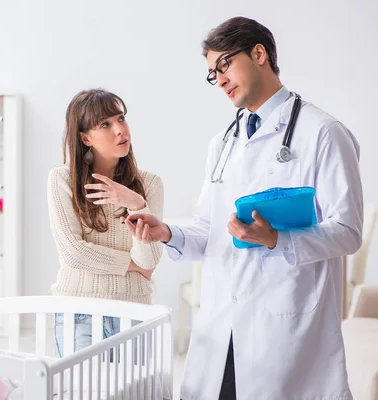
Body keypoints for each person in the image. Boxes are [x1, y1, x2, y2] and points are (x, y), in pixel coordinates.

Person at [123, 17, 363, 400]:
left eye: (225, 65)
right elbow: (210, 228)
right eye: (212, 73)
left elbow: (348, 232)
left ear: (259, 53)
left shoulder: (323, 133)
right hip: (222, 324)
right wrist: (167, 232)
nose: (219, 79)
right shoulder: (223, 142)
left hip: (285, 325)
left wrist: (276, 239)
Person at [47, 88, 164, 358]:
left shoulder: (150, 185)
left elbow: (150, 261)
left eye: (121, 119)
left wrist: (136, 204)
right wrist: (131, 264)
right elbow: (74, 253)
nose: (119, 130)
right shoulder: (63, 180)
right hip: (80, 312)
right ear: (85, 137)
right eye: (105, 124)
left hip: (135, 313)